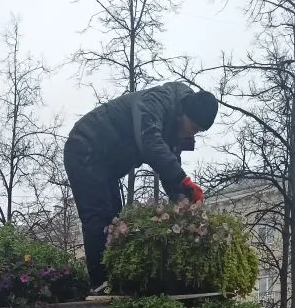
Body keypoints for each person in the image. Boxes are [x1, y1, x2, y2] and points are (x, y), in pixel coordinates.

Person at [64, 82, 219, 291]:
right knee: (98, 218)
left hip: (106, 164)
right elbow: (150, 142)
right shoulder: (155, 102)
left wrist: (185, 202)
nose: (192, 135)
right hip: (86, 146)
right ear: (185, 113)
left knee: (113, 220)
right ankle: (102, 285)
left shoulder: (174, 124)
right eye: (193, 128)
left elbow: (169, 165)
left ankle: (113, 282)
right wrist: (183, 180)